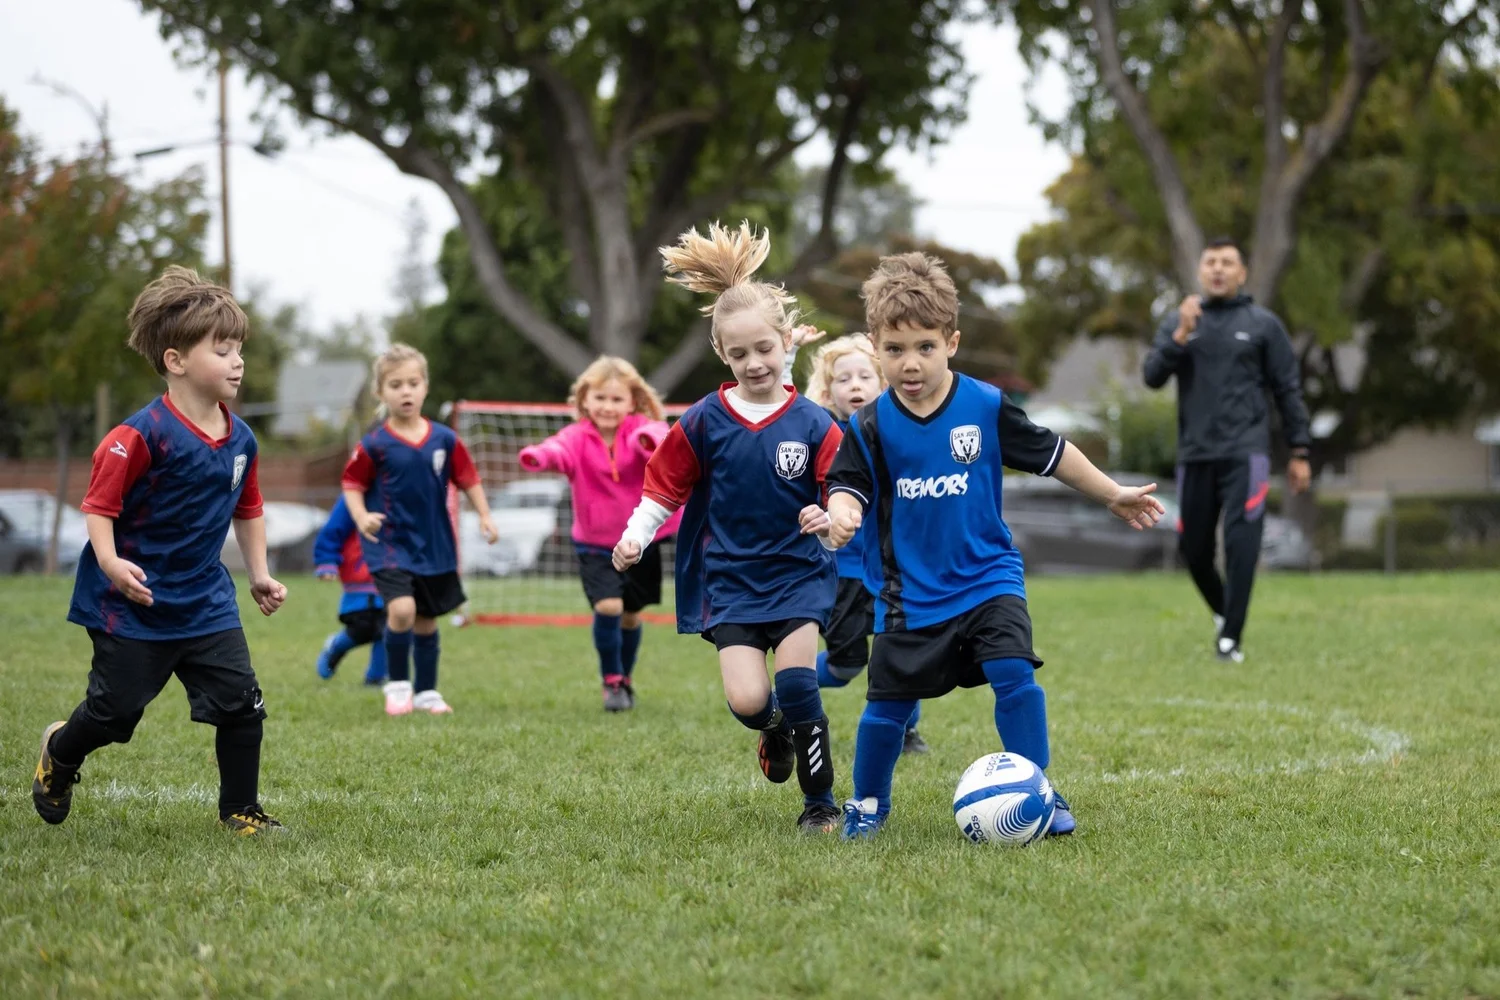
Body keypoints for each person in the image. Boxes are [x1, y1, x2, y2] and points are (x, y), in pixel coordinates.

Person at [822, 252, 1165, 840]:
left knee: (1014, 673)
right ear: (876, 347)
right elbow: (846, 487)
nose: (911, 363)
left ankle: (1040, 790)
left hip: (988, 577)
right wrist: (842, 514)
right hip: (911, 596)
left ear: (951, 342)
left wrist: (1111, 493)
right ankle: (870, 804)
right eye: (896, 349)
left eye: (925, 347)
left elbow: (1052, 453)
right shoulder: (869, 426)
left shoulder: (982, 406)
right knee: (887, 706)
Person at [31, 265, 289, 835]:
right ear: (175, 361)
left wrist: (260, 574)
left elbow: (248, 508)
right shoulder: (138, 436)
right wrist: (110, 562)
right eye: (222, 350)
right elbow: (99, 508)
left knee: (242, 706)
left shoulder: (242, 438)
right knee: (113, 714)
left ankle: (240, 811)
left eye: (239, 349)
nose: (238, 362)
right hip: (134, 601)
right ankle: (60, 753)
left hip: (205, 601)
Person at [613, 220, 844, 834]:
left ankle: (820, 805)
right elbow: (663, 485)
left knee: (798, 683)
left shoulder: (816, 424)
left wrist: (828, 519)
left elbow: (845, 495)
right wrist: (638, 533)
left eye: (764, 349)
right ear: (721, 354)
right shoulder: (703, 421)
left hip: (799, 575)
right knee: (748, 702)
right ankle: (774, 734)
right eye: (738, 353)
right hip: (731, 582)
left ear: (785, 341)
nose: (754, 363)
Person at [1142, 237, 1312, 663]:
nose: (1218, 269)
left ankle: (1230, 639)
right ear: (1201, 271)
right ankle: (1225, 616)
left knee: (1241, 543)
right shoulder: (1182, 321)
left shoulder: (1263, 324)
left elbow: (1288, 389)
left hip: (1247, 454)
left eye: (1227, 262)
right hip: (1195, 454)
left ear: (1242, 273)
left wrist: (1300, 450)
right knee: (1193, 550)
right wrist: (1180, 334)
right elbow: (1152, 377)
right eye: (1211, 262)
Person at [342, 344, 499, 717]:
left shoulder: (444, 439)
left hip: (434, 543)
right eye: (396, 385)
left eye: (413, 383)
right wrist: (362, 516)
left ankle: (427, 691)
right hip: (390, 544)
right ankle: (397, 685)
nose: (406, 391)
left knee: (427, 620)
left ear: (425, 387)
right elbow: (351, 484)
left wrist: (484, 514)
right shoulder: (375, 444)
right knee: (402, 610)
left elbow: (467, 477)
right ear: (382, 394)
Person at [518, 356, 681, 712]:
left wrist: (647, 439)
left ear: (632, 401)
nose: (608, 407)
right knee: (609, 606)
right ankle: (611, 679)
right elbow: (556, 451)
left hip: (638, 542)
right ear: (585, 401)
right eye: (601, 399)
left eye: (616, 399)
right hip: (594, 543)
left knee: (631, 615)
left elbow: (662, 435)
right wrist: (538, 457)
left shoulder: (641, 428)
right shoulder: (576, 437)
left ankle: (625, 678)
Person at [804, 333, 929, 755]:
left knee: (898, 655)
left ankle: (907, 731)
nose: (855, 386)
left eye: (864, 376)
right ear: (828, 390)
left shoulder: (897, 429)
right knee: (845, 666)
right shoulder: (822, 432)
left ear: (883, 383)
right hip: (842, 574)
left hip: (894, 568)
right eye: (844, 379)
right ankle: (792, 681)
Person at [313, 495, 388, 686]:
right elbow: (332, 530)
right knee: (364, 627)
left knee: (390, 625)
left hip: (394, 573)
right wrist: (326, 560)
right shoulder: (354, 497)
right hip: (360, 573)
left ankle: (376, 677)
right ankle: (336, 647)